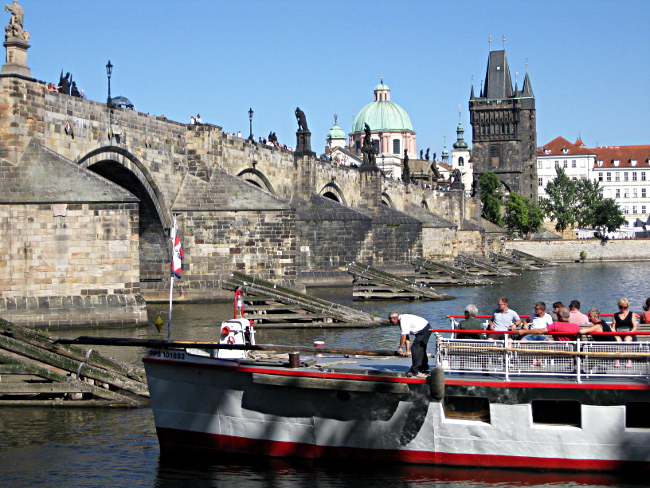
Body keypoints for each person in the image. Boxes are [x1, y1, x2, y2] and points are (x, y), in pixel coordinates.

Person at [389, 312, 431, 377]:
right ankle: (424, 366)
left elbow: (403, 335)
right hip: (424, 329)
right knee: (421, 348)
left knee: (415, 348)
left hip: (425, 329)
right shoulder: (401, 321)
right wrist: (407, 351)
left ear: (394, 318)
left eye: (390, 320)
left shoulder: (403, 320)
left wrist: (400, 347)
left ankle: (415, 370)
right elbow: (406, 337)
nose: (390, 322)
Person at [611, 297, 637, 368]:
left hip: (629, 333)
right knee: (618, 340)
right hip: (619, 333)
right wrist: (614, 331)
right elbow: (613, 326)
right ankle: (617, 360)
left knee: (627, 340)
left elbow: (634, 326)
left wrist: (630, 332)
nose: (623, 309)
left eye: (625, 307)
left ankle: (629, 360)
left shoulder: (632, 314)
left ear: (627, 306)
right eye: (621, 307)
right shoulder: (615, 315)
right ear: (619, 307)